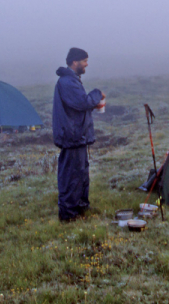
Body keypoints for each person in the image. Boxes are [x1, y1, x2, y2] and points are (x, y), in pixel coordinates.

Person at [52, 47, 104, 222]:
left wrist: (92, 104)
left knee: (81, 174)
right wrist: (97, 94)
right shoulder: (67, 82)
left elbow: (79, 106)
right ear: (75, 62)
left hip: (77, 137)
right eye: (84, 61)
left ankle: (81, 208)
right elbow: (82, 102)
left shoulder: (71, 80)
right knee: (71, 177)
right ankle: (68, 215)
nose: (86, 65)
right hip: (72, 137)